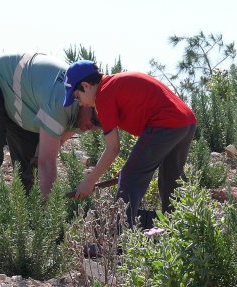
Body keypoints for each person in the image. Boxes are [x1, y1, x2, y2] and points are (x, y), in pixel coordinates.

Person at [63, 60, 197, 228]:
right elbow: (147, 140)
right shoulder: (114, 85)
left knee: (130, 178)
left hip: (166, 124)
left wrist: (89, 181)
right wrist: (132, 165)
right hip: (186, 122)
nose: (80, 103)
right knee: (170, 181)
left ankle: (119, 240)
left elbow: (113, 148)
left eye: (77, 96)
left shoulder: (104, 95)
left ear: (85, 86)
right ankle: (180, 232)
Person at [0, 53, 97, 196]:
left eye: (101, 125)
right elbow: (47, 163)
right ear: (85, 101)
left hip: (25, 104)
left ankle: (29, 213)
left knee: (29, 171)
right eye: (95, 120)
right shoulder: (61, 102)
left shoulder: (84, 110)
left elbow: (52, 144)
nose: (94, 128)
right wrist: (50, 207)